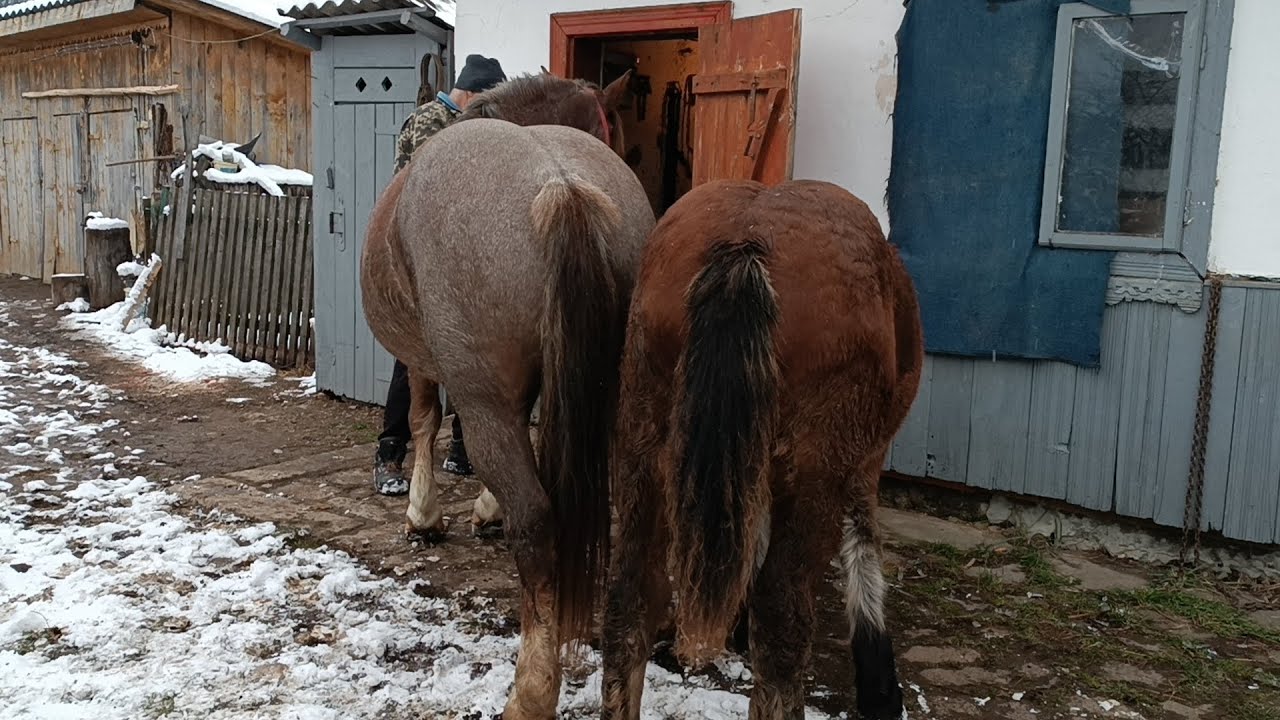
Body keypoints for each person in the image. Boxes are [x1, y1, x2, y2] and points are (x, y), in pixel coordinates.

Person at [374, 54, 508, 496]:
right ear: (470, 93)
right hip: (421, 257)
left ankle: (462, 451)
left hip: (461, 259)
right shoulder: (431, 122)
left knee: (470, 359)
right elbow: (424, 192)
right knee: (411, 357)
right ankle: (390, 456)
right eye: (485, 100)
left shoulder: (468, 123)